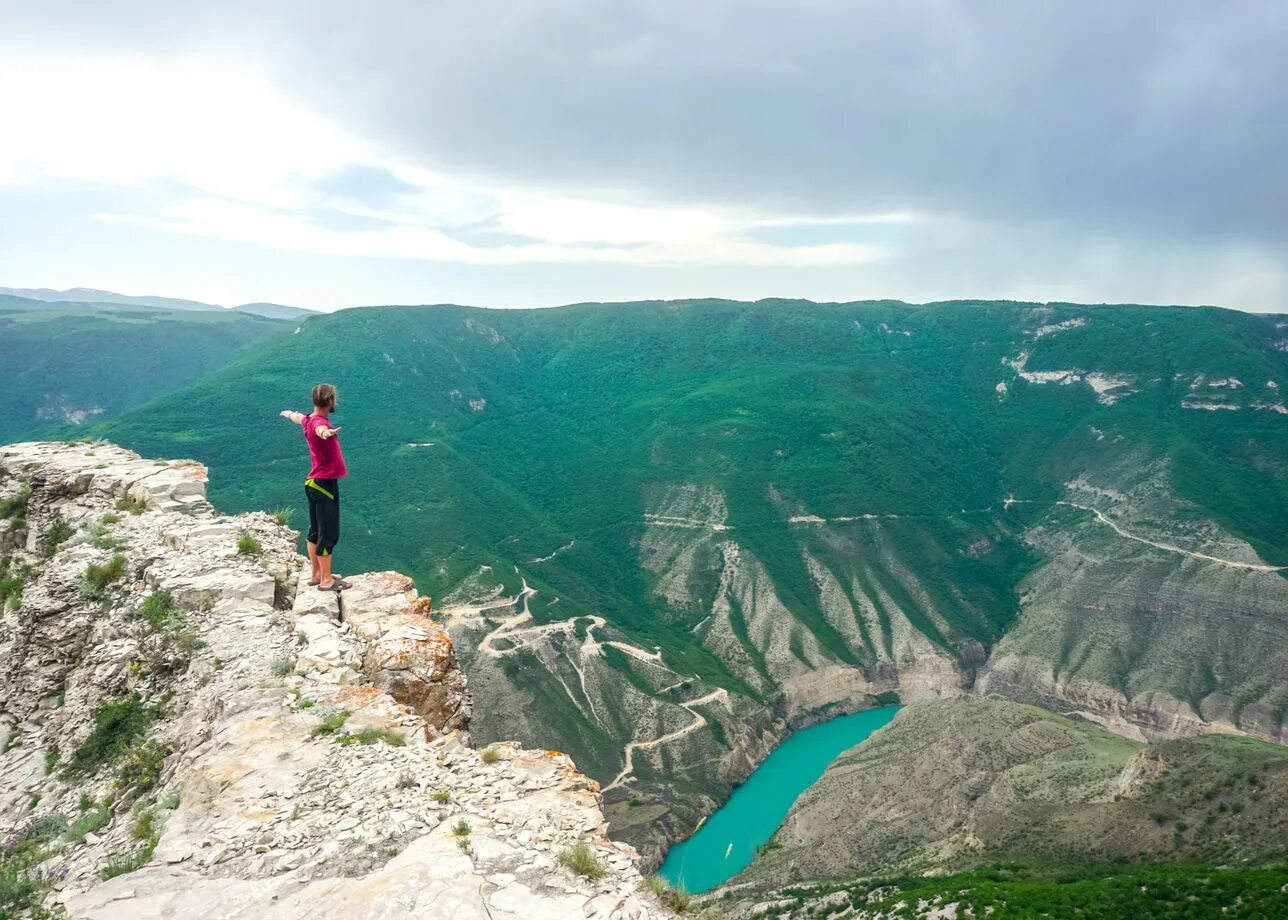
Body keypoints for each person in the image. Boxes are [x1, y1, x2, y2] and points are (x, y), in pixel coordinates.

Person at [279, 384, 351, 592]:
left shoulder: (309, 419)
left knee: (315, 531)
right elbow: (320, 430)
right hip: (324, 485)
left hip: (313, 484)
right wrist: (326, 433)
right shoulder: (319, 424)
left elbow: (299, 418)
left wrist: (289, 414)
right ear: (330, 401)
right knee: (328, 534)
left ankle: (317, 574)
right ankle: (327, 580)